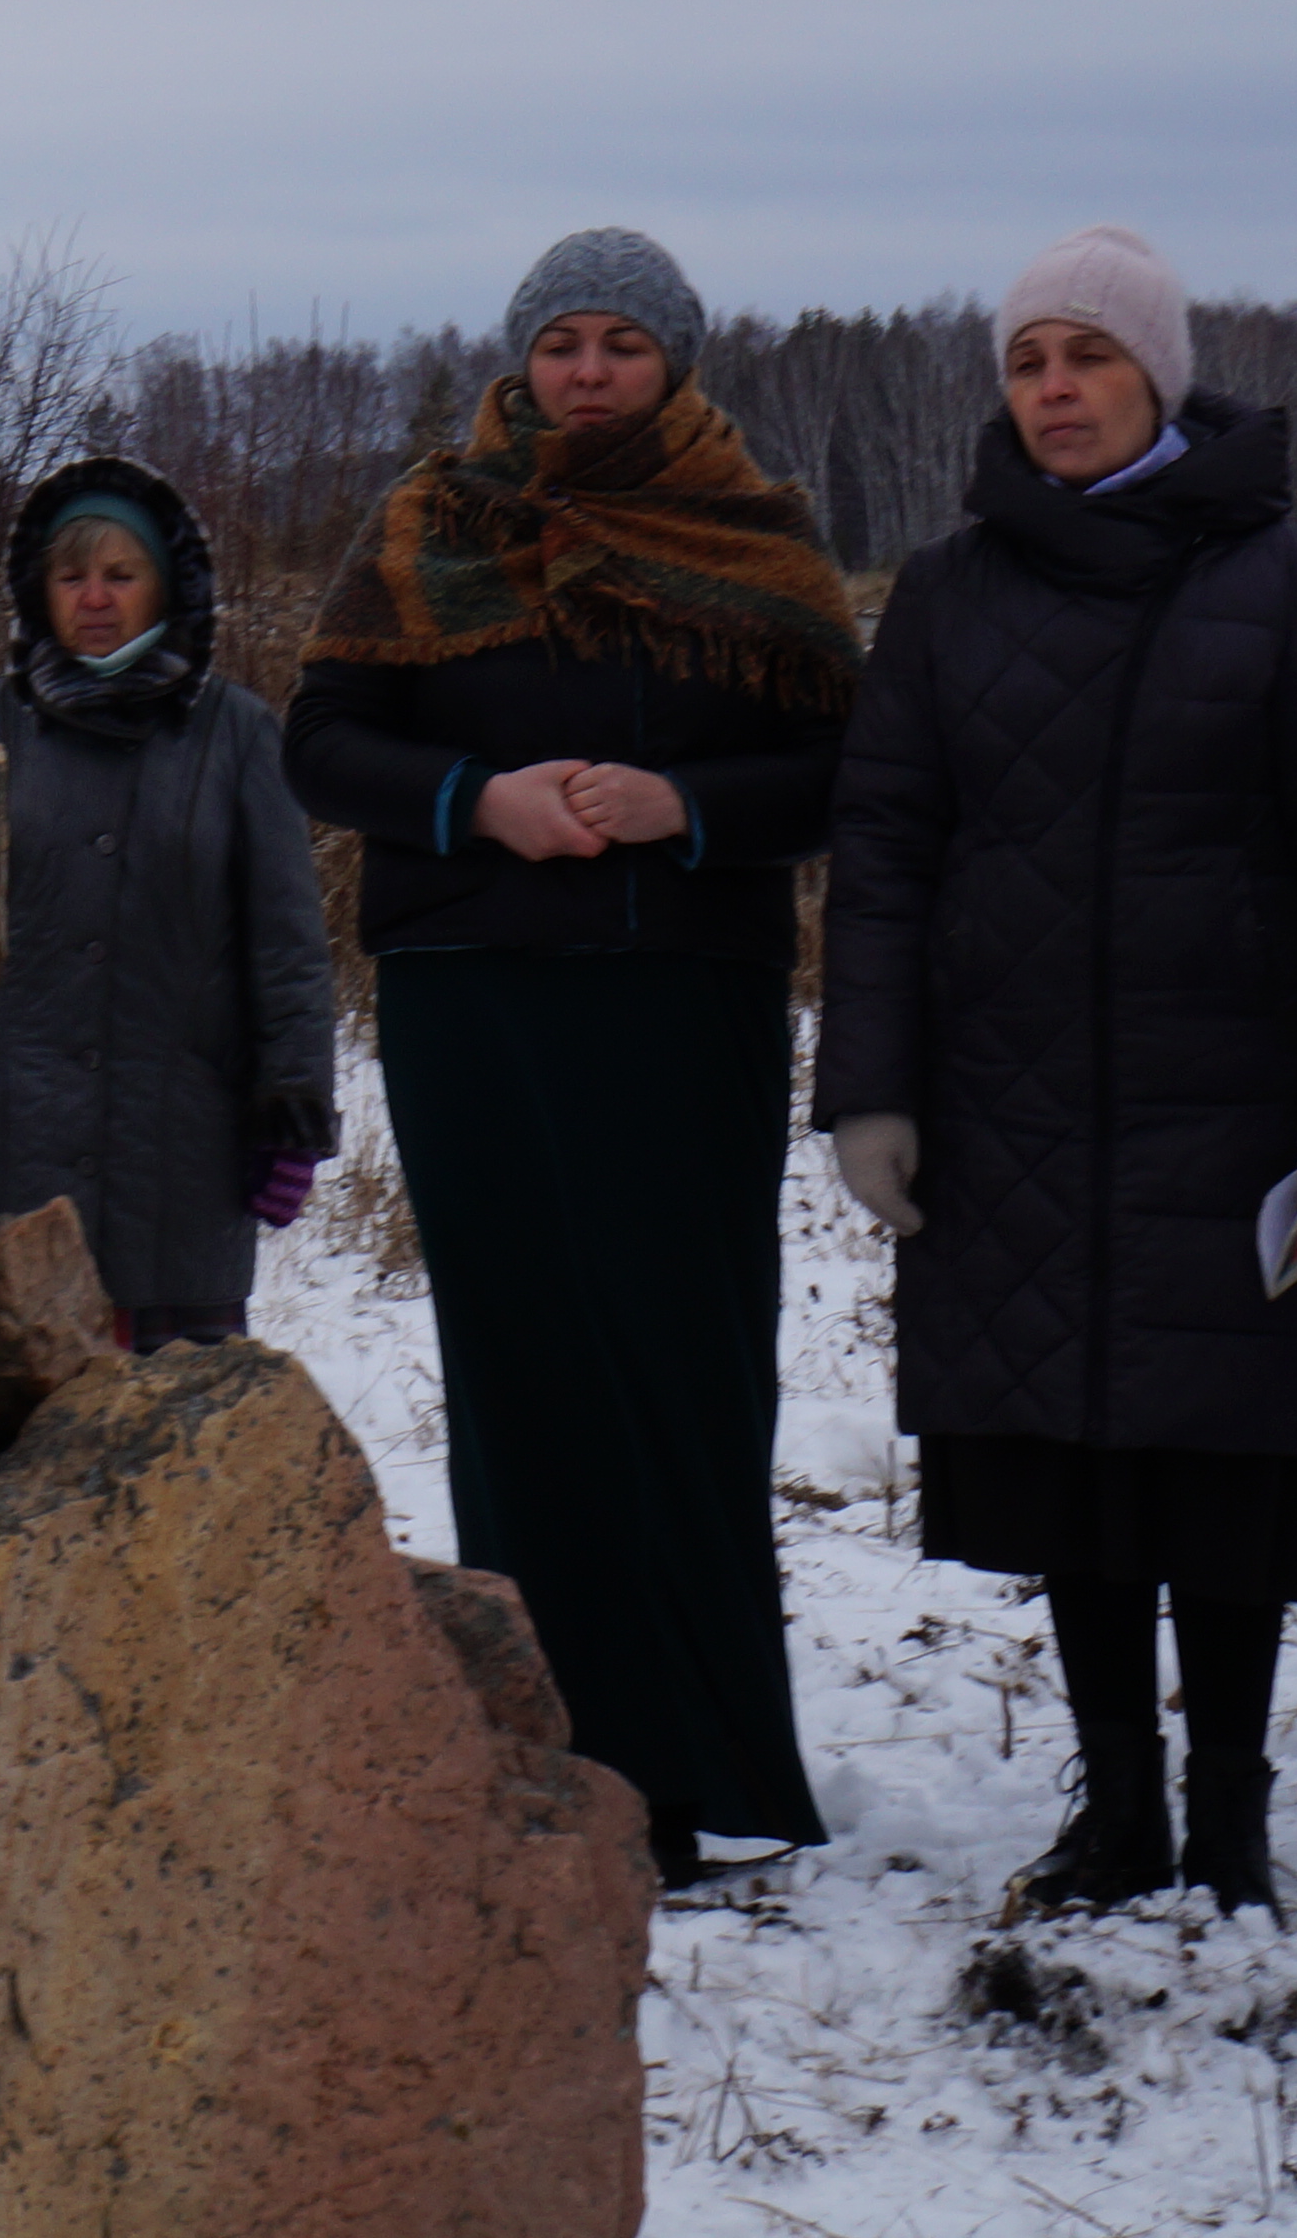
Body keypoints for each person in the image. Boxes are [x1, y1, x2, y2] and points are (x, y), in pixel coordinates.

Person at [815, 226, 1297, 1920]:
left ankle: (1229, 1814)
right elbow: (884, 842)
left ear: (1156, 371)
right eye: (1026, 361)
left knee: (1220, 1463)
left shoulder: (1279, 579)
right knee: (1066, 1456)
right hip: (1010, 1100)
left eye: (1085, 355)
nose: (1054, 388)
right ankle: (1120, 1809)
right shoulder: (950, 589)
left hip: (1230, 1104)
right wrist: (872, 1085)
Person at [283, 226, 865, 1886]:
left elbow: (844, 760)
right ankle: (545, 1746)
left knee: (680, 1365)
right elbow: (321, 737)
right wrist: (483, 803)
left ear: (673, 362)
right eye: (562, 341)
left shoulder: (757, 530)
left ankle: (695, 1758)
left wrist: (692, 810)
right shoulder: (429, 523)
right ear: (519, 358)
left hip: (686, 999)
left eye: (621, 341)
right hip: (481, 998)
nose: (588, 369)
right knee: (527, 1366)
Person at [0, 457, 340, 1348]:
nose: (94, 597)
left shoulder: (236, 735)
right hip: (12, 1149)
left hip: (182, 1154)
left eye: (120, 575)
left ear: (165, 589)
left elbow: (288, 947)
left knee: (183, 1453)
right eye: (71, 575)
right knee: (16, 1449)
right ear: (37, 589)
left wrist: (291, 1107)